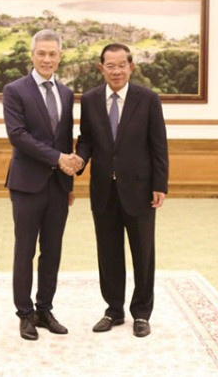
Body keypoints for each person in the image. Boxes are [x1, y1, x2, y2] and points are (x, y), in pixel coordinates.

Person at [75, 43, 169, 338]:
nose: (116, 71)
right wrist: (78, 161)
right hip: (103, 189)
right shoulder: (89, 100)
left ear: (131, 66)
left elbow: (158, 145)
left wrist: (159, 185)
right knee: (108, 252)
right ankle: (113, 310)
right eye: (110, 66)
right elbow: (87, 139)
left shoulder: (148, 99)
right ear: (101, 68)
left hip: (139, 189)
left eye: (121, 65)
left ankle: (141, 313)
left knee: (143, 253)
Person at [2, 29, 80, 341]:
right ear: (32, 55)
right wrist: (58, 158)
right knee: (25, 250)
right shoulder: (14, 90)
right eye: (42, 53)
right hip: (26, 184)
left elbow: (63, 139)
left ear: (60, 58)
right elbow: (17, 135)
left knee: (52, 250)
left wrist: (69, 181)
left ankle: (45, 309)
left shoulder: (66, 93)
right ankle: (25, 314)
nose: (47, 59)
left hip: (58, 187)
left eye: (53, 54)